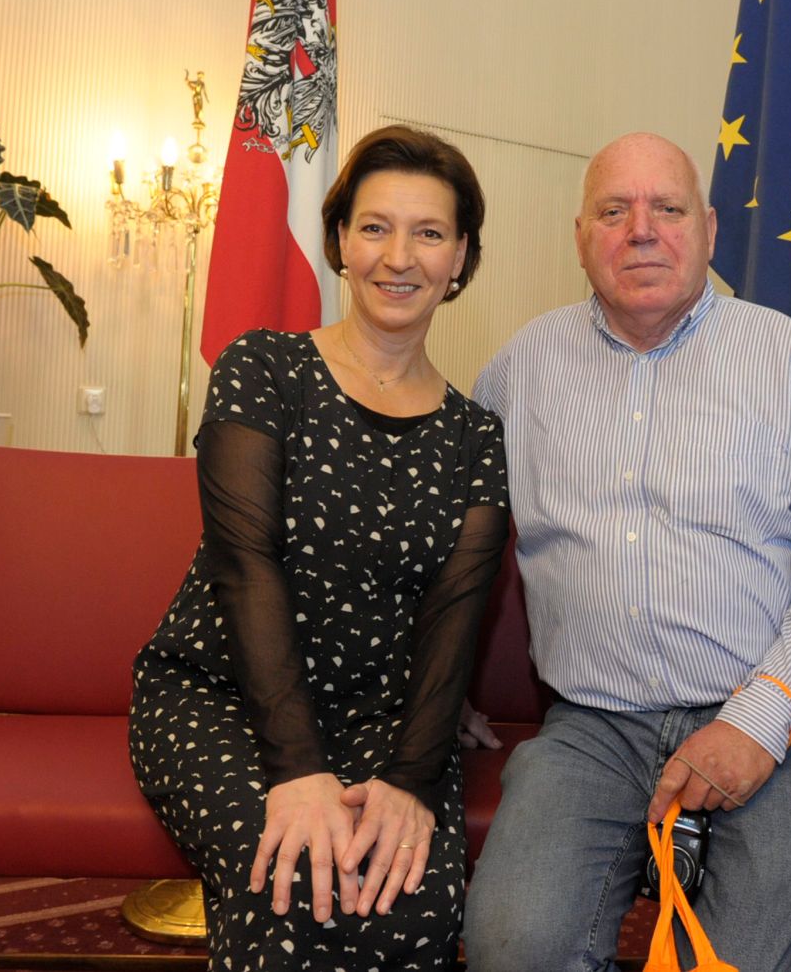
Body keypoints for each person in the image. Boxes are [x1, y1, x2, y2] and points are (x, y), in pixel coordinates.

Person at [461, 132, 791, 971]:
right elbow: (460, 554)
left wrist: (756, 726)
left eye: (668, 208)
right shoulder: (518, 372)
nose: (642, 230)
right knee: (514, 951)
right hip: (590, 726)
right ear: (581, 237)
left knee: (732, 967)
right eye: (614, 211)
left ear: (710, 229)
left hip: (760, 719)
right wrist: (442, 691)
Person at [129, 125, 508, 970]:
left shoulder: (477, 435)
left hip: (384, 719)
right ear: (339, 240)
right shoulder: (263, 368)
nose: (398, 256)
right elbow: (243, 564)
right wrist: (294, 770)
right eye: (375, 227)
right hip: (222, 697)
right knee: (294, 882)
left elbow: (456, 615)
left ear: (461, 258)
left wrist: (413, 779)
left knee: (408, 895)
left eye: (430, 233)